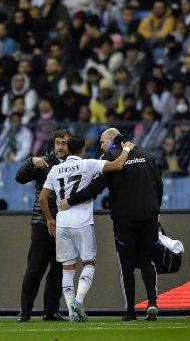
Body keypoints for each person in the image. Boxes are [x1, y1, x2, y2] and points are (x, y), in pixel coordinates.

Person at [63, 128, 162, 321]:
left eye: (102, 141)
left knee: (126, 264)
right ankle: (152, 303)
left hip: (124, 219)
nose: (101, 145)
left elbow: (95, 188)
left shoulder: (109, 158)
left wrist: (70, 201)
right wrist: (155, 211)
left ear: (110, 140)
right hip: (149, 216)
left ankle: (131, 311)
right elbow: (159, 185)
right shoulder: (146, 155)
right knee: (148, 261)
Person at [39, 135, 135, 322]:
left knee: (67, 269)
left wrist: (50, 219)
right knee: (89, 263)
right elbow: (117, 165)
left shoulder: (55, 170)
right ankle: (78, 300)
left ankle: (71, 313)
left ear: (67, 149)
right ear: (82, 150)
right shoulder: (88, 164)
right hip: (82, 221)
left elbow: (43, 199)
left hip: (62, 222)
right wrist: (127, 150)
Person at [14, 129, 72, 323]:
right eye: (58, 143)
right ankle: (25, 311)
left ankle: (51, 311)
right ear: (54, 144)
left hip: (65, 224)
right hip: (42, 222)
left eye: (64, 143)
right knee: (35, 268)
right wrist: (30, 160)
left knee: (57, 270)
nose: (61, 146)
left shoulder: (76, 164)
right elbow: (20, 179)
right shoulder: (44, 162)